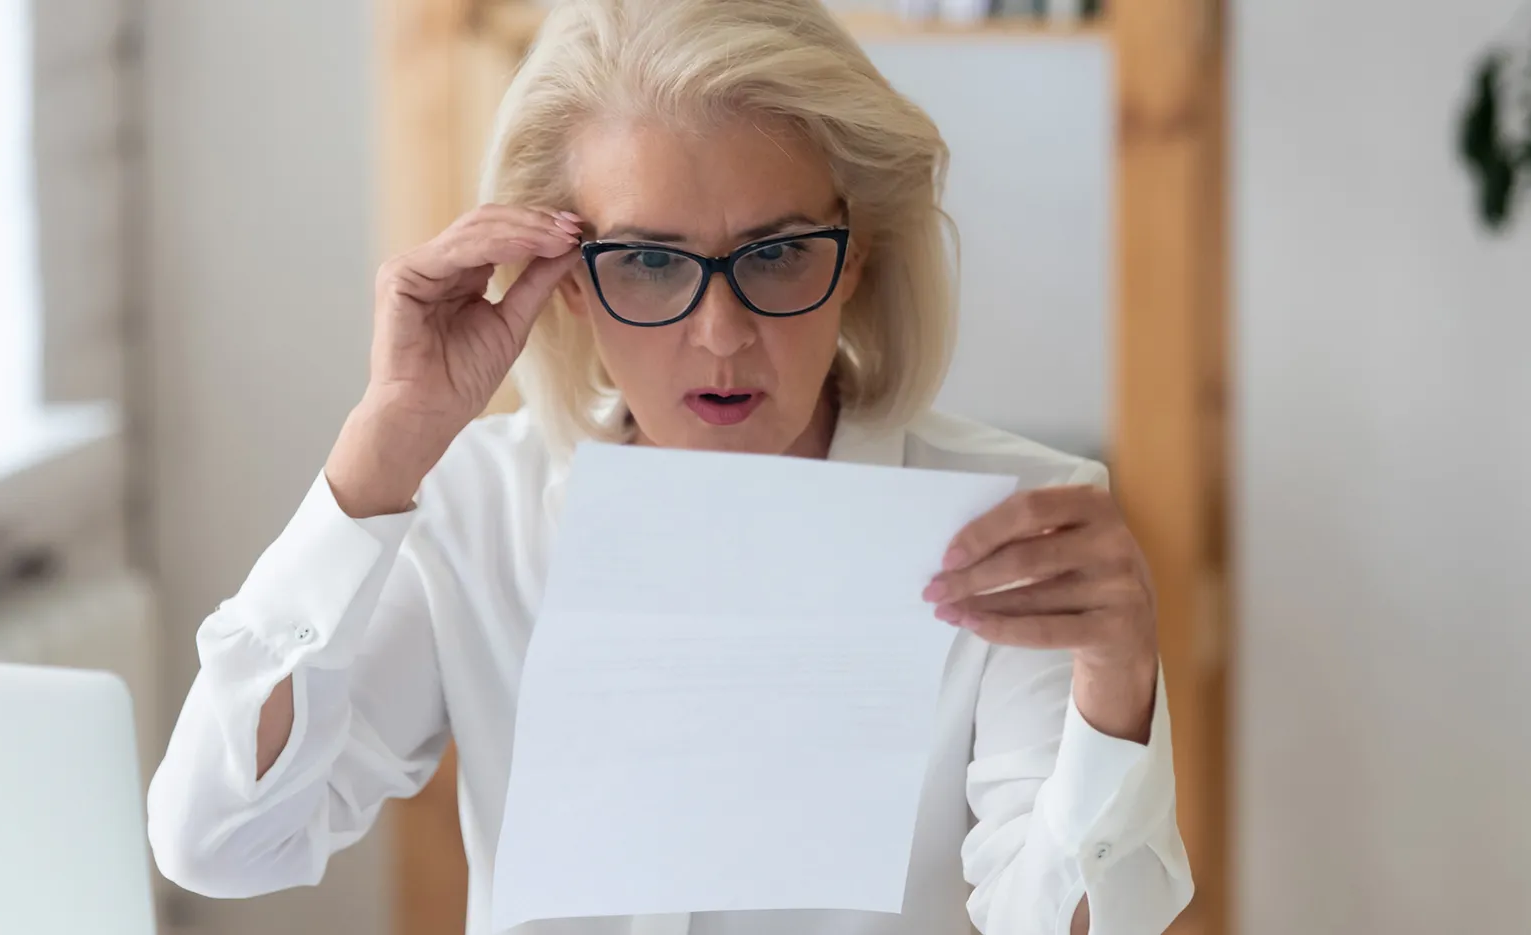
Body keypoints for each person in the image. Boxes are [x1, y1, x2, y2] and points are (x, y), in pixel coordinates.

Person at [146, 0, 1194, 932]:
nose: (723, 333)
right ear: (564, 281)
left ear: (856, 252)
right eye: (650, 261)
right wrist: (378, 452)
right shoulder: (478, 511)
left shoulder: (1011, 522)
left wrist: (1116, 686)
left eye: (778, 251)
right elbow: (219, 842)